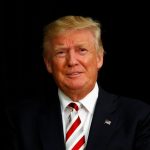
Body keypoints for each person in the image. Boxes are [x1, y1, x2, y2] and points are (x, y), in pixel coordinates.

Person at [5, 15, 150, 150]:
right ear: (48, 63)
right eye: (61, 52)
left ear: (99, 58)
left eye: (82, 50)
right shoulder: (21, 118)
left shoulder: (138, 116)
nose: (72, 61)